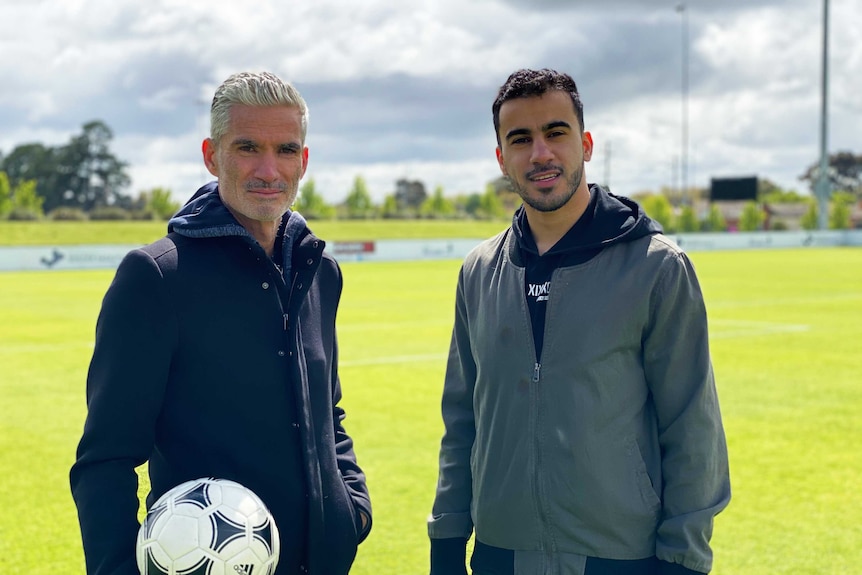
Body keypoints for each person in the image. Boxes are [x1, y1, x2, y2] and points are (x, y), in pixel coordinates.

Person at [428, 68, 730, 575]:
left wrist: (683, 559)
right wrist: (447, 541)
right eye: (520, 139)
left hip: (620, 555)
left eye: (556, 133)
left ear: (585, 144)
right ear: (501, 158)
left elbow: (692, 426)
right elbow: (462, 421)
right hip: (501, 552)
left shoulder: (656, 268)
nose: (540, 153)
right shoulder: (479, 271)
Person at [70, 71, 371, 575]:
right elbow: (106, 459)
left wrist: (350, 508)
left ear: (305, 160)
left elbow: (327, 412)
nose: (269, 169)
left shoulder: (321, 272)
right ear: (212, 155)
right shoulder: (157, 277)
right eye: (248, 147)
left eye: (287, 149)